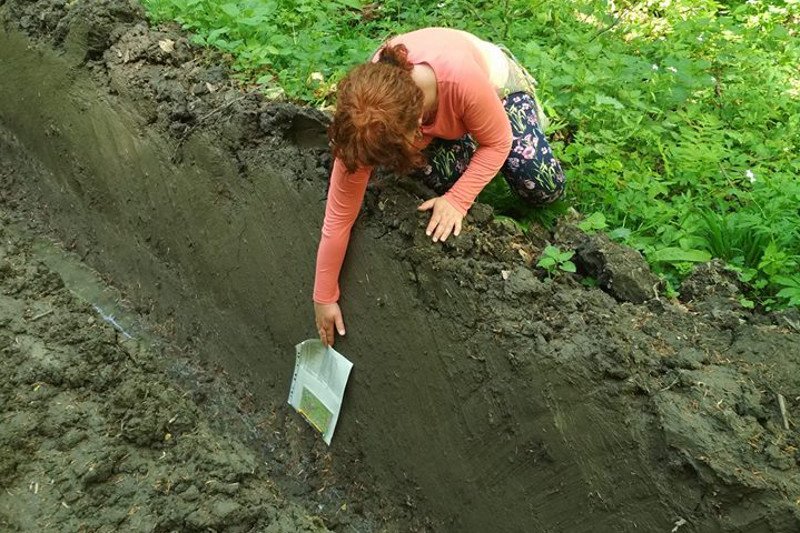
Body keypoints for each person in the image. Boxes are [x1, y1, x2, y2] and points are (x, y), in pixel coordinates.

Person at [314, 27, 566, 346]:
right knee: (434, 175)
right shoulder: (366, 116)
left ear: (416, 128)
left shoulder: (460, 78)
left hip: (497, 91)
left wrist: (458, 200)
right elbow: (338, 217)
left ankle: (504, 122)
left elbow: (499, 141)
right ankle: (466, 140)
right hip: (439, 116)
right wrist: (324, 296)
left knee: (540, 183)